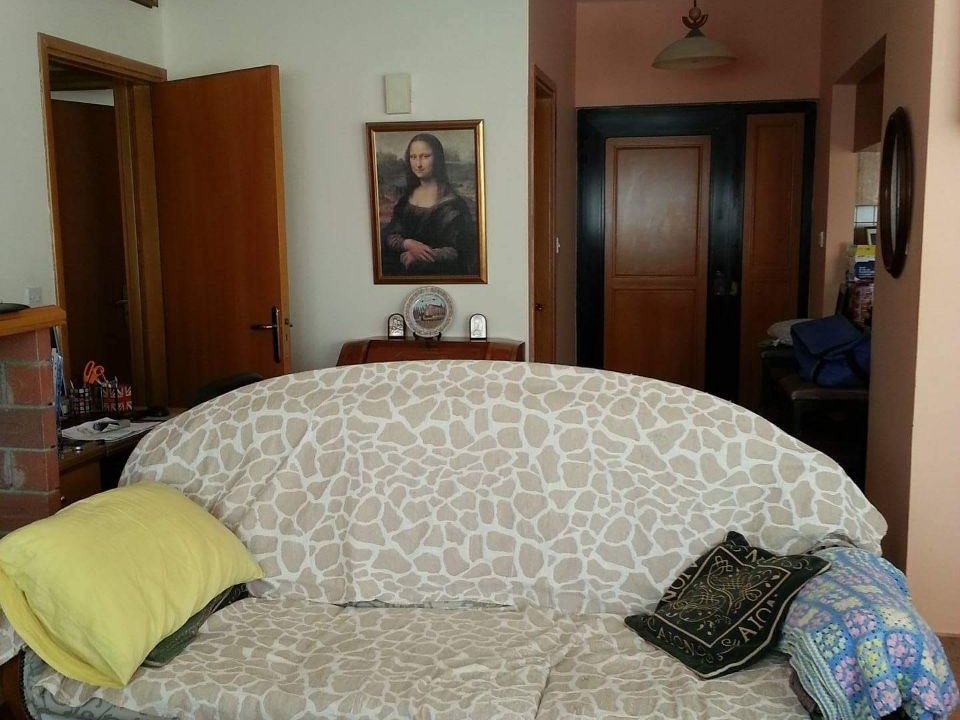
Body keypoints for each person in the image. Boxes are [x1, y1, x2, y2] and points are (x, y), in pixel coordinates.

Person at [382, 133, 477, 276]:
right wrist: (407, 243)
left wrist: (420, 255)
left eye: (425, 156)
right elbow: (390, 235)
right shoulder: (405, 199)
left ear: (437, 159)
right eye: (413, 157)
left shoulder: (454, 205)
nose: (418, 164)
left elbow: (460, 250)